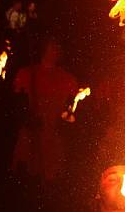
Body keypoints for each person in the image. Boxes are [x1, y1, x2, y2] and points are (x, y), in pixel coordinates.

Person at [11, 38, 78, 183]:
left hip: (53, 138)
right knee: (28, 179)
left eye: (58, 46)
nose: (55, 49)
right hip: (31, 136)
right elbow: (17, 105)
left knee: (51, 181)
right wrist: (28, 118)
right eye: (52, 45)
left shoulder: (68, 79)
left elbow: (70, 111)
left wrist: (64, 123)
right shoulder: (26, 73)